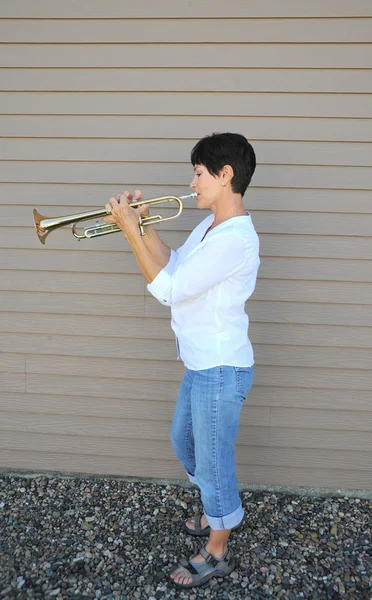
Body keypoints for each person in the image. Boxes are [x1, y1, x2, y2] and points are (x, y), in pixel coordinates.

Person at [104, 132, 260, 589]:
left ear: (225, 174)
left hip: (220, 366)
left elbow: (168, 291)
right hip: (201, 364)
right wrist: (146, 227)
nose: (191, 183)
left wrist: (129, 230)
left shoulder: (235, 238)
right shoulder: (210, 226)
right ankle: (220, 509)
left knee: (213, 462)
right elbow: (174, 267)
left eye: (198, 173)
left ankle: (217, 549)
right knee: (184, 442)